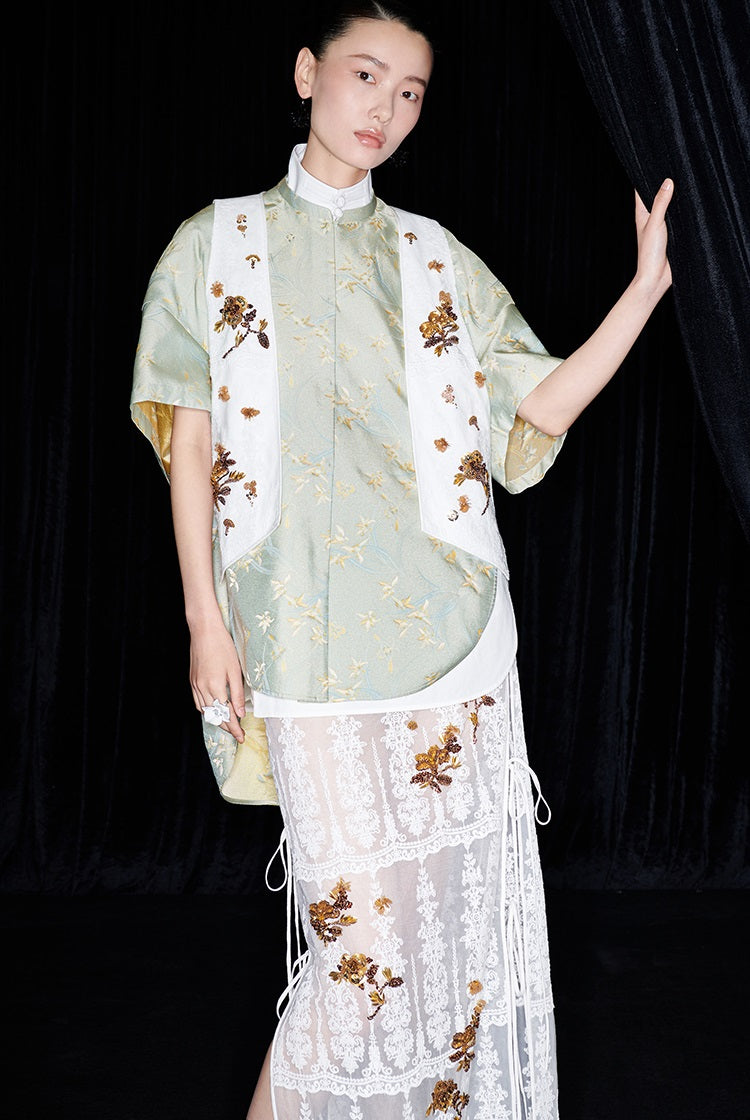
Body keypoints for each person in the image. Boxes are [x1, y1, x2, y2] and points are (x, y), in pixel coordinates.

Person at [131, 3, 672, 1117]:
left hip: (447, 649)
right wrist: (203, 617)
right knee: (361, 956)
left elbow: (538, 404)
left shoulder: (435, 259)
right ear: (306, 72)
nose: (385, 107)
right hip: (295, 642)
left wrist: (645, 292)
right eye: (366, 74)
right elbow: (192, 441)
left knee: (437, 960)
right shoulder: (215, 243)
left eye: (411, 91)